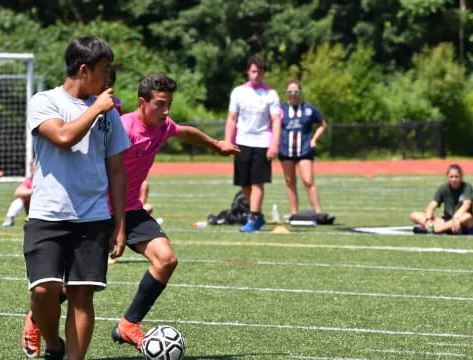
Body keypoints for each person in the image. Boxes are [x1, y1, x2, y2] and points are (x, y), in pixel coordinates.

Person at [110, 73, 239, 350]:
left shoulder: (162, 125)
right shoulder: (123, 128)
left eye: (169, 103)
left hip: (130, 207)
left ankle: (128, 324)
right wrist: (117, 228)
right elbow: (108, 176)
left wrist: (217, 145)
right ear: (142, 102)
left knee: (166, 259)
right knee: (78, 281)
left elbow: (185, 131)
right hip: (100, 211)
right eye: (159, 104)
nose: (166, 110)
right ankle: (38, 313)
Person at [21, 35, 130, 360]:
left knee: (83, 297)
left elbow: (117, 170)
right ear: (84, 70)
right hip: (47, 215)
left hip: (93, 218)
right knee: (43, 290)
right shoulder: (45, 101)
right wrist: (96, 108)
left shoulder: (109, 114)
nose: (108, 78)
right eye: (104, 70)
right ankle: (54, 345)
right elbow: (64, 137)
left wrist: (120, 224)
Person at [224, 55, 281, 232]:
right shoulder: (238, 92)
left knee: (258, 182)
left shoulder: (271, 94)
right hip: (242, 142)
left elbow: (276, 121)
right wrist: (227, 141)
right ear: (248, 71)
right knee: (244, 183)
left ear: (264, 73)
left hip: (262, 142)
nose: (256, 75)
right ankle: (257, 215)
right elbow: (232, 119)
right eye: (254, 71)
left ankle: (254, 216)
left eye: (260, 71)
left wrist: (274, 144)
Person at [278, 80, 327, 215]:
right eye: (290, 92)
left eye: (296, 91)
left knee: (308, 181)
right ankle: (294, 213)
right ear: (286, 93)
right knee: (290, 182)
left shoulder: (309, 109)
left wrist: (314, 139)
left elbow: (322, 124)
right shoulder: (280, 109)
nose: (293, 94)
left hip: (304, 150)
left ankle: (318, 212)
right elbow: (272, 126)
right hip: (285, 151)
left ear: (300, 92)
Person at [410, 164, 473, 234]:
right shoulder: (443, 188)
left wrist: (456, 218)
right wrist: (428, 220)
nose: (454, 179)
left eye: (456, 177)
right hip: (446, 221)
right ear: (447, 177)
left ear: (461, 177)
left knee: (467, 217)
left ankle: (436, 230)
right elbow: (432, 205)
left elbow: (467, 204)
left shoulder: (467, 187)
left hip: (461, 220)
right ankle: (440, 228)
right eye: (451, 177)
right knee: (414, 215)